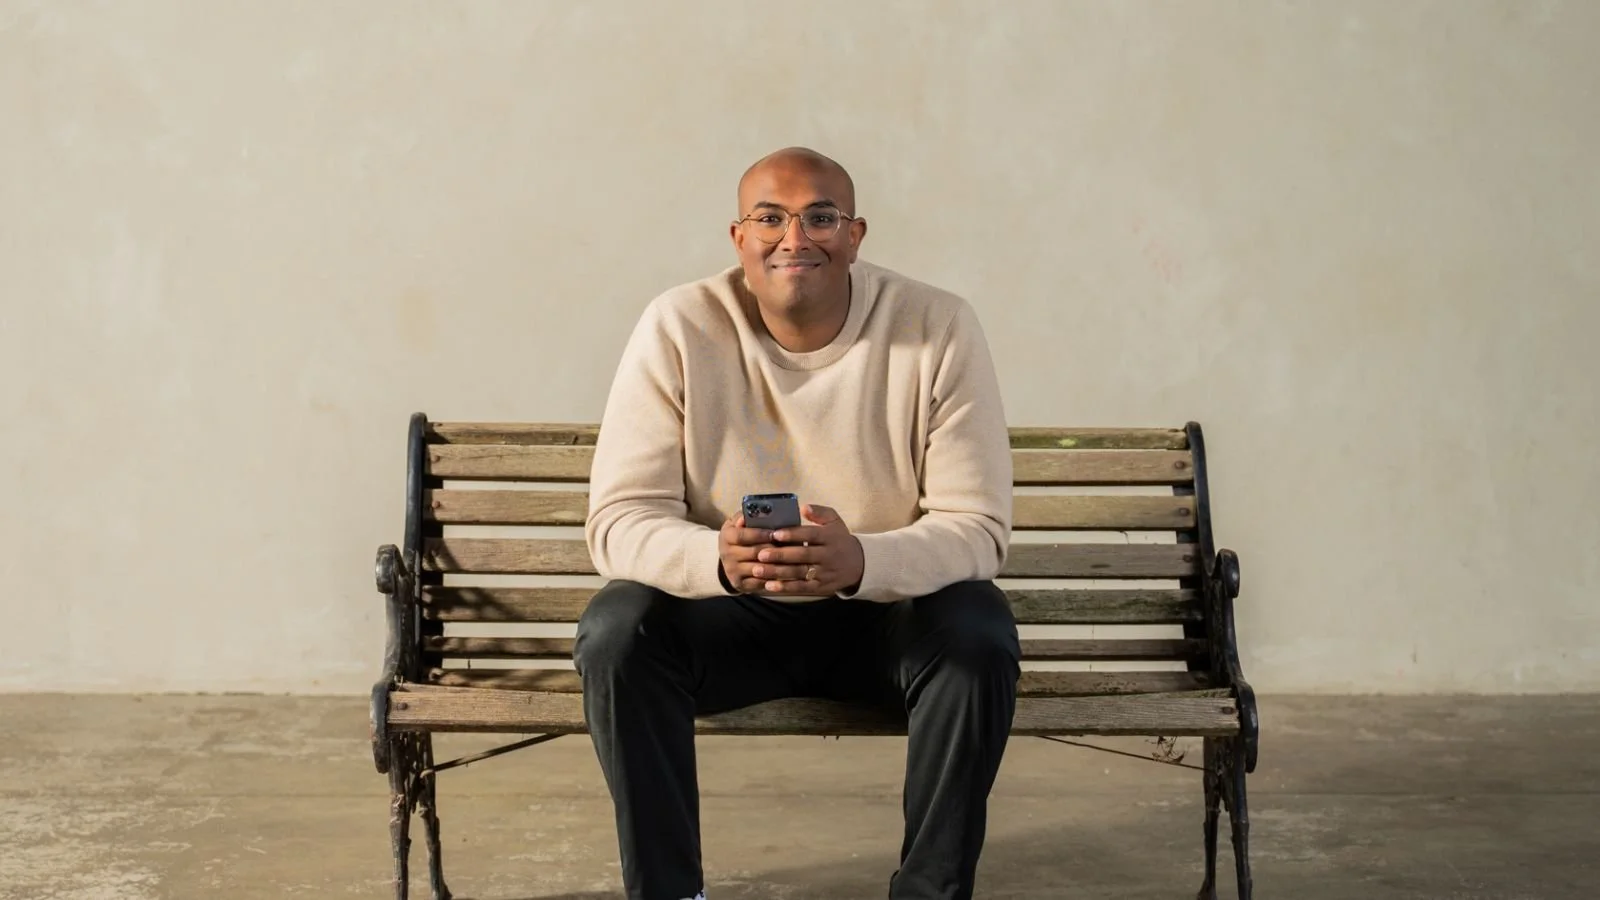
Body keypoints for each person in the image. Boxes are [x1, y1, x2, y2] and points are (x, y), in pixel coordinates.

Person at [574, 147, 1020, 900]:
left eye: (821, 217)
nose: (795, 238)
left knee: (978, 629)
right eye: (770, 218)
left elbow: (978, 528)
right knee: (618, 629)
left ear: (855, 235)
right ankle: (670, 893)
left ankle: (929, 894)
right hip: (728, 617)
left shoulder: (938, 325)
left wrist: (863, 562)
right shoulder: (679, 325)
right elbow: (618, 520)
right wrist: (715, 560)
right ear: (738, 237)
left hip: (887, 619)